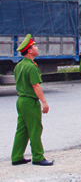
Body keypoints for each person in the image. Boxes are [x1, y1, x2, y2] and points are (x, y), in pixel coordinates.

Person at [11, 34, 53, 166]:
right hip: (30, 101)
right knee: (35, 128)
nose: (36, 47)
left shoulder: (19, 65)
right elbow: (36, 86)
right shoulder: (31, 67)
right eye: (34, 46)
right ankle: (38, 156)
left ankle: (17, 156)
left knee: (22, 129)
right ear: (29, 50)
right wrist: (44, 102)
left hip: (21, 100)